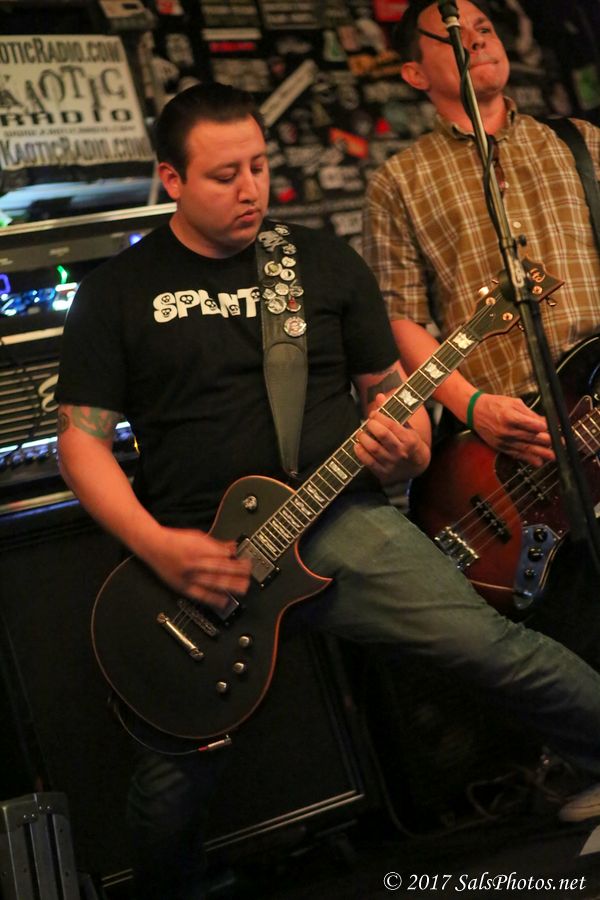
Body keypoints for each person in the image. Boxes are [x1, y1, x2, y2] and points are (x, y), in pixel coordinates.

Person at [56, 82, 600, 900]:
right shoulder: (115, 293)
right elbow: (81, 444)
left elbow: (393, 405)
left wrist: (405, 449)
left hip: (338, 520)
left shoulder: (318, 262)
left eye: (259, 166)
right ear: (171, 179)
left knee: (496, 649)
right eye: (225, 175)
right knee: (172, 780)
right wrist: (157, 545)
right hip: (197, 554)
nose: (251, 188)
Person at [362, 2, 600, 664]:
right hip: (500, 449)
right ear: (415, 72)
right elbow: (401, 317)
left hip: (594, 398)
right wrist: (471, 406)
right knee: (570, 646)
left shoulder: (582, 142)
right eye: (454, 37)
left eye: (485, 29)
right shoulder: (398, 181)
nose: (477, 42)